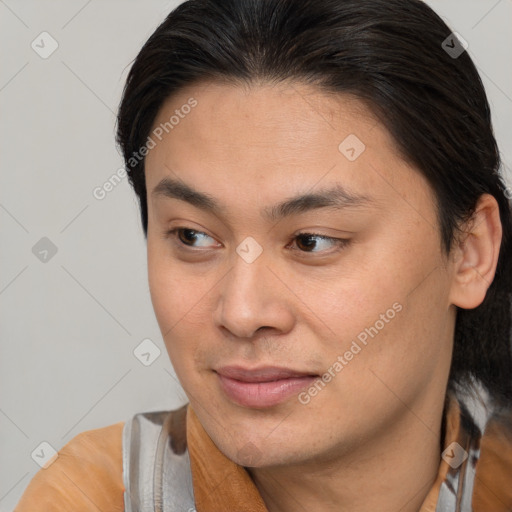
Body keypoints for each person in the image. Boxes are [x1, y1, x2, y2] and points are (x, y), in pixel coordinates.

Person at [15, 0, 512, 510]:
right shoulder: (90, 499)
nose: (242, 313)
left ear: (470, 252)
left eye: (312, 241)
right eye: (192, 236)